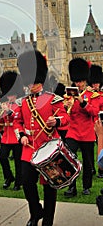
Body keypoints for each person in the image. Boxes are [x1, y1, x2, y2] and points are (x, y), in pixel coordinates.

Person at [14, 49, 69, 226]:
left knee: (49, 187)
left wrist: (57, 120)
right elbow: (17, 121)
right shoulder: (23, 101)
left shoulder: (53, 99)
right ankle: (36, 211)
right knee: (27, 183)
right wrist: (21, 135)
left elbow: (66, 118)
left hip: (48, 150)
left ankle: (48, 220)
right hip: (28, 149)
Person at [63, 58, 99, 198]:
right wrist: (66, 106)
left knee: (87, 161)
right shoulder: (68, 95)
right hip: (73, 131)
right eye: (76, 81)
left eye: (81, 81)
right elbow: (65, 114)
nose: (78, 83)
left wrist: (82, 102)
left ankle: (86, 186)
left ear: (85, 80)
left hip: (87, 132)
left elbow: (94, 112)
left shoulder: (92, 95)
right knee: (70, 158)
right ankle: (72, 187)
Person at [0, 71, 23, 191]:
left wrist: (8, 111)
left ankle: (18, 181)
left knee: (18, 161)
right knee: (2, 157)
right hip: (6, 135)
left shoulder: (20, 104)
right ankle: (8, 177)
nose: (9, 97)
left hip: (17, 135)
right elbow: (1, 122)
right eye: (8, 94)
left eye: (11, 94)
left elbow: (18, 117)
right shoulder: (4, 104)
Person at [88, 64, 103, 177]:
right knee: (90, 149)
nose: (95, 85)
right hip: (91, 124)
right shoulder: (89, 95)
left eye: (97, 83)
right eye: (93, 83)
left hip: (101, 124)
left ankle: (101, 169)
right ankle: (91, 168)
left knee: (101, 145)